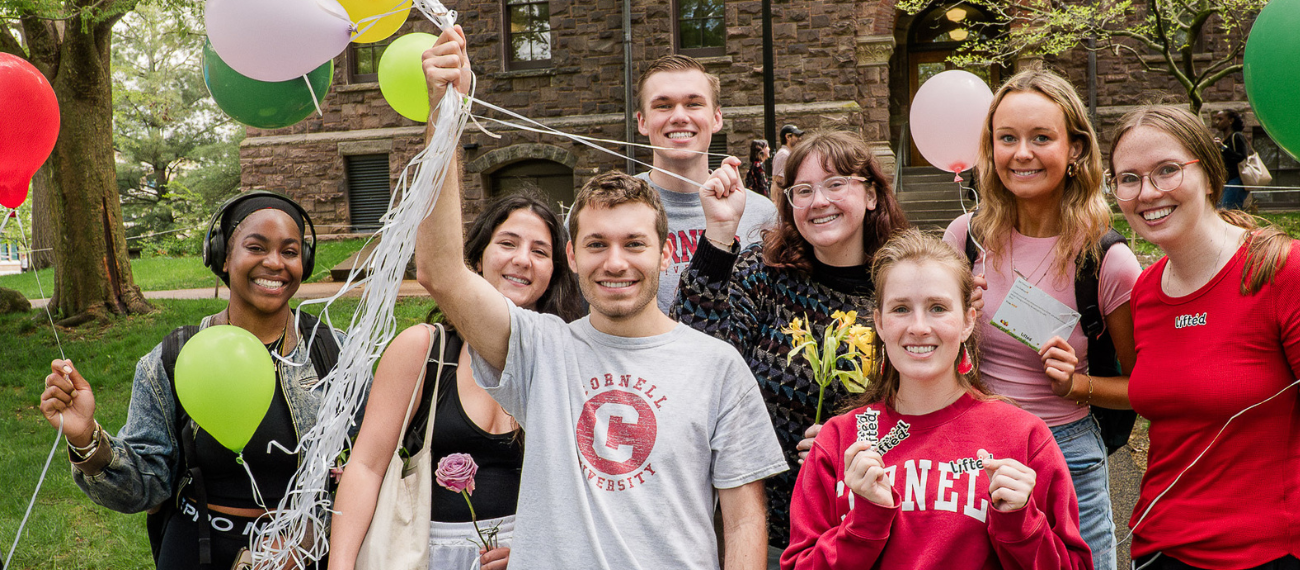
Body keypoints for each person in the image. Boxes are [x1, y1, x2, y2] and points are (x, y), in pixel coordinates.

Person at [417, 27, 787, 570]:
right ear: (571, 255)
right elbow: (441, 270)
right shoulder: (540, 351)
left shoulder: (718, 367)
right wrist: (445, 113)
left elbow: (745, 518)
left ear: (665, 256)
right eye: (596, 245)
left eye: (634, 244)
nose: (615, 262)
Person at [1108, 105, 1300, 570]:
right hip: (1156, 550)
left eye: (1167, 170)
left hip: (1264, 556)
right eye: (1128, 178)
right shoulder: (1146, 292)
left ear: (1210, 174)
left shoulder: (1286, 271)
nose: (1147, 192)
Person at [40, 192, 346, 569]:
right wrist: (86, 439)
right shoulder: (173, 358)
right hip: (196, 551)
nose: (274, 263)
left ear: (306, 261)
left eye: (290, 251)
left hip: (309, 554)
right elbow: (144, 487)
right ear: (222, 257)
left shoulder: (334, 354)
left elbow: (368, 471)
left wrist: (319, 530)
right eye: (256, 247)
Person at [782, 229, 1092, 570]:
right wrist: (864, 523)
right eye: (900, 308)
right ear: (879, 324)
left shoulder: (1023, 437)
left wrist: (1022, 525)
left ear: (968, 321)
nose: (919, 326)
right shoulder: (838, 440)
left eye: (937, 308)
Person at [672, 129, 910, 550]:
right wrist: (719, 235)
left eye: (836, 184)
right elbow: (691, 356)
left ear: (872, 195)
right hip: (761, 528)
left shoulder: (902, 289)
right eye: (804, 190)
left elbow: (931, 408)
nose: (819, 201)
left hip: (866, 526)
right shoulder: (763, 273)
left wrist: (859, 438)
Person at [940, 69, 1137, 570]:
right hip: (974, 450)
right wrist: (957, 325)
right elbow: (927, 353)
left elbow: (1144, 386)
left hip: (1065, 453)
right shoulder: (965, 239)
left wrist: (1078, 385)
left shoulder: (1105, 259)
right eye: (1007, 138)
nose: (1021, 153)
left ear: (1075, 149)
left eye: (1041, 138)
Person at [329, 190, 582, 570]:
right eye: (508, 243)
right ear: (478, 259)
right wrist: (341, 565)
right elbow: (365, 466)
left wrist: (534, 551)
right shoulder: (425, 350)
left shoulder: (566, 358)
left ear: (555, 271)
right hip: (428, 555)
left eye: (540, 251)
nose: (521, 259)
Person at [634, 54, 780, 313]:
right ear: (642, 121)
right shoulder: (606, 212)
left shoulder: (762, 214)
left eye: (693, 104)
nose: (679, 116)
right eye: (663, 105)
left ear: (716, 118)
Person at [1214, 109, 1250, 210]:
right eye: (1216, 119)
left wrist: (1223, 147)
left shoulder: (1237, 136)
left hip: (1236, 180)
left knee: (1228, 211)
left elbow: (1241, 157)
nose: (1217, 122)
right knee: (1222, 210)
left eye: (1220, 119)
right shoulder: (1223, 139)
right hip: (1225, 180)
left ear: (1231, 121)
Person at [771, 124, 804, 190]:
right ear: (788, 137)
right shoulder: (783, 155)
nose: (800, 139)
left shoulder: (788, 154)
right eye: (797, 136)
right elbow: (777, 181)